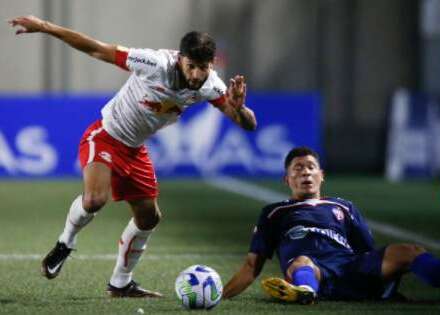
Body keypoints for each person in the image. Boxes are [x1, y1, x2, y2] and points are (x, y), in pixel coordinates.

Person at [9, 15, 257, 297]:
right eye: (192, 66)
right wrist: (44, 26)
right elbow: (96, 48)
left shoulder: (211, 85)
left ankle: (120, 283)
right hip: (105, 135)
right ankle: (65, 243)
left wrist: (240, 109)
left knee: (149, 218)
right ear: (180, 59)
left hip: (135, 150)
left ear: (211, 64)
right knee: (94, 199)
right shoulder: (153, 63)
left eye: (203, 67)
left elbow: (248, 125)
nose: (197, 74)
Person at [222, 147, 440, 304]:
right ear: (287, 180)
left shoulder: (343, 207)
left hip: (351, 268)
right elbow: (251, 267)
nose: (305, 172)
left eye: (310, 167)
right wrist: (220, 296)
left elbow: (367, 250)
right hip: (316, 273)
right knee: (301, 261)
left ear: (322, 176)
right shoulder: (275, 213)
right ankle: (305, 293)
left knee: (407, 250)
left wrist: (388, 273)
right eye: (297, 168)